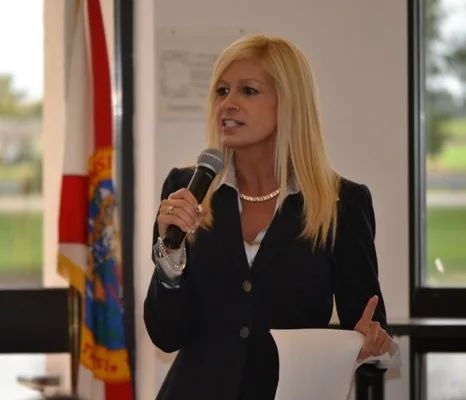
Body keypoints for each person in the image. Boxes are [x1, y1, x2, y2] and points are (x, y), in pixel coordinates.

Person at [144, 33, 399, 400]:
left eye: (248, 91)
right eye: (221, 91)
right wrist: (169, 258)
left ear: (290, 105)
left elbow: (375, 341)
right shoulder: (186, 190)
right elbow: (165, 336)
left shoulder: (342, 203)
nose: (228, 104)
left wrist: (373, 346)